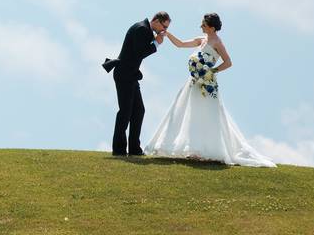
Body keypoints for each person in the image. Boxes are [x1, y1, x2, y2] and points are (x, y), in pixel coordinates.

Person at [143, 12, 276, 167]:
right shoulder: (202, 39)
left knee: (206, 114)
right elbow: (180, 44)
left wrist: (212, 71)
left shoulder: (218, 42)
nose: (201, 26)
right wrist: (168, 34)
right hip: (194, 83)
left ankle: (206, 149)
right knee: (189, 113)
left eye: (204, 25)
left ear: (212, 28)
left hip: (207, 84)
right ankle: (193, 148)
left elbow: (228, 62)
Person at [103, 12, 170, 156]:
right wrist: (156, 43)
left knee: (138, 111)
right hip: (124, 74)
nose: (164, 31)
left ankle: (134, 149)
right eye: (164, 27)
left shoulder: (145, 29)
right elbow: (140, 52)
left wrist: (155, 41)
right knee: (125, 112)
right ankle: (119, 150)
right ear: (157, 21)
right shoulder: (142, 28)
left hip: (131, 75)